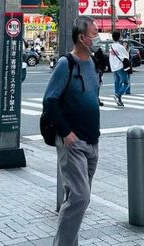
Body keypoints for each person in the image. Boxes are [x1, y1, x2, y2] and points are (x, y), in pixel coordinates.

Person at [43, 16, 100, 246]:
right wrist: (66, 132)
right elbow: (49, 101)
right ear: (82, 38)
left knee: (77, 200)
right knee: (79, 197)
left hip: (92, 141)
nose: (97, 37)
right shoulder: (66, 63)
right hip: (72, 142)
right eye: (94, 34)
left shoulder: (93, 62)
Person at [108, 30, 129, 107]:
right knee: (126, 83)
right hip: (120, 66)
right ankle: (118, 95)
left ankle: (118, 100)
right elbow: (126, 56)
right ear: (119, 37)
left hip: (113, 67)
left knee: (117, 83)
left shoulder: (111, 47)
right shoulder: (120, 47)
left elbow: (111, 58)